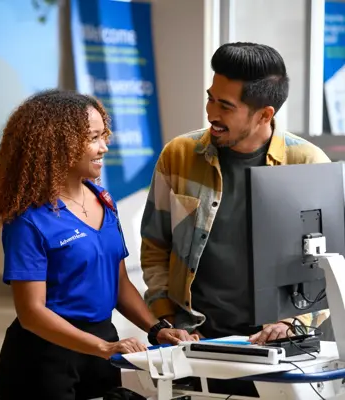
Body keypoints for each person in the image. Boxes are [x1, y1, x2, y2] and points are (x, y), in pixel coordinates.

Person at [0, 90, 198, 400]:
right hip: (44, 357)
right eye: (94, 138)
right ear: (58, 145)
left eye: (104, 135)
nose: (104, 147)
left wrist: (156, 329)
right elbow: (32, 312)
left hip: (101, 347)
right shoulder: (28, 219)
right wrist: (103, 348)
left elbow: (119, 284)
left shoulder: (104, 201)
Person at [140, 42, 331, 345]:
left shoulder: (308, 164)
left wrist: (292, 323)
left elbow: (330, 264)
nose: (211, 113)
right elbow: (154, 246)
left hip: (277, 344)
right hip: (193, 341)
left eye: (225, 106)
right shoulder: (177, 155)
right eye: (210, 99)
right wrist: (168, 319)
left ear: (264, 115)